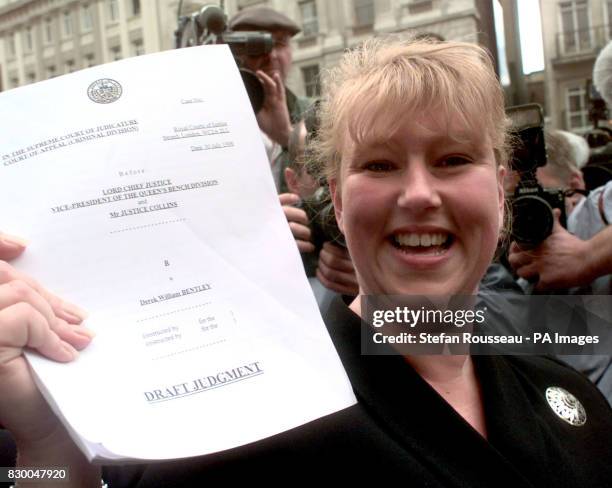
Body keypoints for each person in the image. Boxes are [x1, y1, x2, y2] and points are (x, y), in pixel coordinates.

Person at [2, 37, 612, 487]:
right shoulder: (234, 419)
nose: (420, 193)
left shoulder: (568, 396)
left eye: (454, 160)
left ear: (501, 190)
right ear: (339, 203)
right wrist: (46, 444)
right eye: (380, 164)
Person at [229, 6, 313, 193]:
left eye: (280, 43)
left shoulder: (314, 115)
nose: (271, 55)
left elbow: (334, 191)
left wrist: (286, 135)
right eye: (257, 45)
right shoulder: (221, 122)